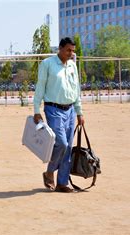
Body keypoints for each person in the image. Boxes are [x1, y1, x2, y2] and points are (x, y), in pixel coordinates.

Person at [33, 37, 85, 193]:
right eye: (68, 50)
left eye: (73, 51)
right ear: (60, 48)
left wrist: (79, 112)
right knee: (61, 143)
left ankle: (62, 183)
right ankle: (50, 171)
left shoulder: (72, 66)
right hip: (53, 109)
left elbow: (76, 91)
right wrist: (36, 110)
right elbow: (40, 87)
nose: (71, 53)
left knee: (68, 147)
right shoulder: (47, 64)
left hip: (69, 110)